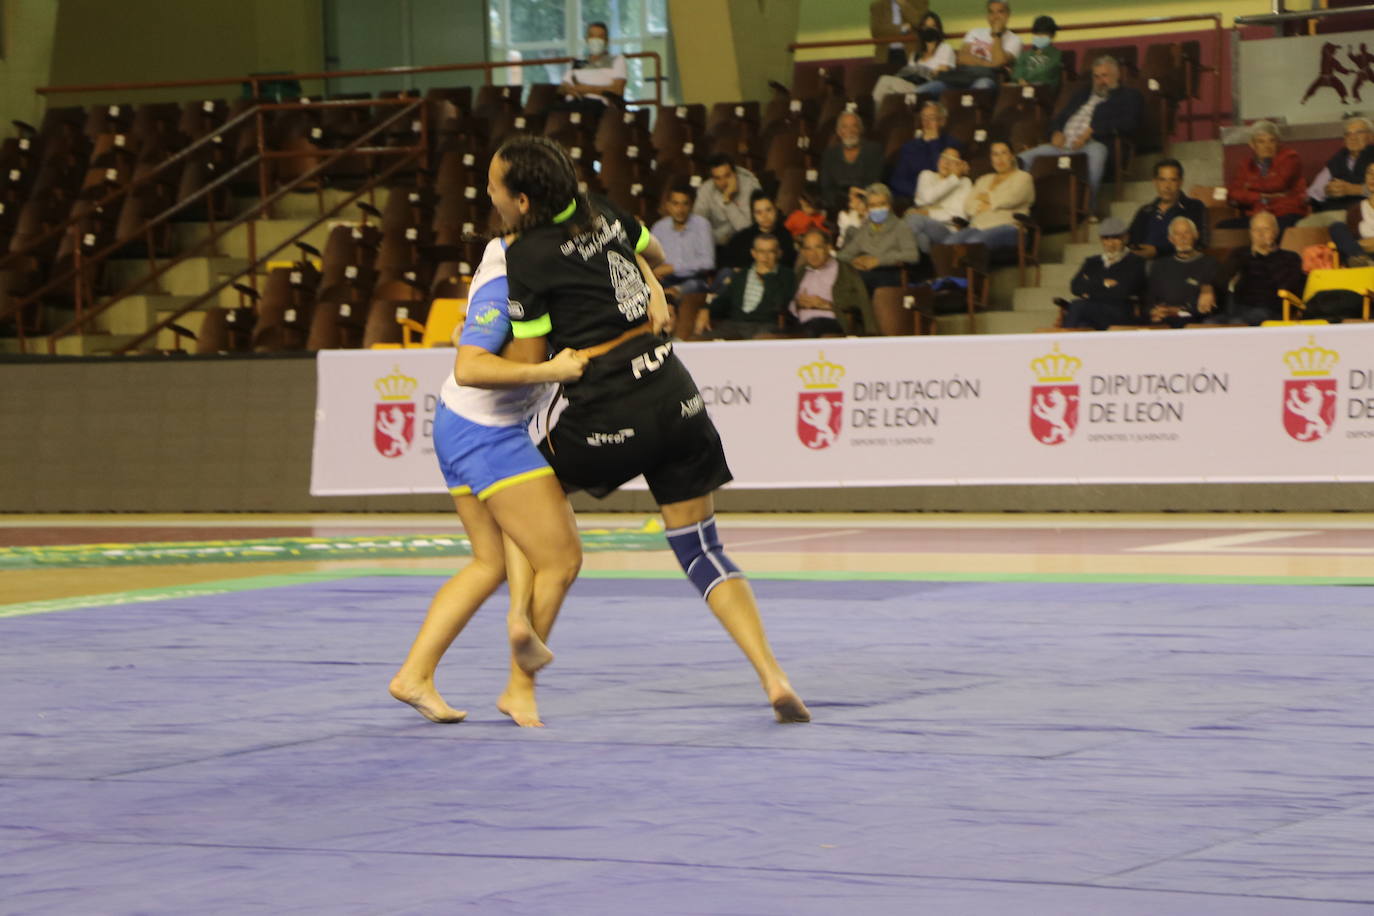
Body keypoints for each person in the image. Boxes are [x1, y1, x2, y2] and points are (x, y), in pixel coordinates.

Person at [495, 135, 811, 723]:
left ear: (518, 200)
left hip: (605, 405)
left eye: (493, 187)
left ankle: (520, 660)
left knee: (512, 483)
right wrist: (649, 286)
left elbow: (528, 358)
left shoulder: (527, 255)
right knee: (702, 549)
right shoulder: (603, 211)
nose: (489, 194)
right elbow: (658, 255)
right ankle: (773, 677)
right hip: (673, 394)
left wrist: (487, 353)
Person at [389, 237, 590, 729]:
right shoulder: (504, 282)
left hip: (466, 425)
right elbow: (470, 364)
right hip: (485, 431)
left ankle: (414, 674)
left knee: (490, 560)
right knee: (561, 559)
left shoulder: (527, 271)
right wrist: (552, 369)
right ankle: (518, 685)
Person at [1018, 55, 1143, 211]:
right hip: (1062, 144)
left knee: (1097, 154)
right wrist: (1055, 132)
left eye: (1104, 76)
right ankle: (1021, 205)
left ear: (1116, 75)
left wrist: (1093, 131)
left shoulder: (1129, 96)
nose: (1100, 81)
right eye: (1096, 76)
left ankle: (1089, 207)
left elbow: (1129, 124)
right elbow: (1061, 117)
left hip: (1095, 144)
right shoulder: (1082, 94)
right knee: (1022, 159)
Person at [942, 140, 1034, 255]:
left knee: (973, 244)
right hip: (977, 227)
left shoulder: (1023, 177)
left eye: (1003, 153)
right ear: (991, 158)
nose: (999, 159)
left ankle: (974, 272)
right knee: (947, 245)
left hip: (1010, 228)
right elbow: (968, 205)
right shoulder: (983, 179)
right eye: (995, 154)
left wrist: (986, 198)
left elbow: (1012, 198)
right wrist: (985, 206)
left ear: (1011, 156)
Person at [698, 233, 795, 340]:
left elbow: (781, 303)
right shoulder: (742, 275)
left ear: (778, 253)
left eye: (770, 251)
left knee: (760, 342)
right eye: (761, 251)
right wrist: (707, 309)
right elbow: (723, 299)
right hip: (736, 324)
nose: (765, 257)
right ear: (753, 253)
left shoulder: (787, 275)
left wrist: (769, 276)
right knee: (701, 341)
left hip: (766, 325)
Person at [1216, 211, 1306, 325]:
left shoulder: (1290, 257)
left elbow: (1287, 286)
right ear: (1250, 233)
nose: (1260, 234)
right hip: (1240, 309)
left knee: (1238, 323)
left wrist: (1268, 254)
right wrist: (1207, 289)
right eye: (1256, 230)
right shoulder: (1240, 254)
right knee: (1209, 323)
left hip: (1272, 309)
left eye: (1265, 229)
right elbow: (1221, 278)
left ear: (1275, 232)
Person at [1060, 217, 1147, 329]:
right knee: (1082, 325)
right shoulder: (1092, 262)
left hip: (1120, 313)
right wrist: (1104, 284)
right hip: (1093, 312)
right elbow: (1075, 286)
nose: (1110, 244)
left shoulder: (1136, 261)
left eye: (1115, 238)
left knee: (1077, 305)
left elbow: (1123, 292)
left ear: (1125, 238)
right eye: (1106, 239)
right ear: (1101, 240)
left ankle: (1062, 341)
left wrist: (1090, 288)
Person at [1222, 120, 1308, 231]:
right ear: (1252, 145)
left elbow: (1278, 184)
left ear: (1278, 143)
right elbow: (1233, 194)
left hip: (1286, 212)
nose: (1267, 146)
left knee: (1272, 229)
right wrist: (1260, 197)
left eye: (1272, 141)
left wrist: (1248, 185)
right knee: (1224, 227)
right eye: (1261, 142)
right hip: (1258, 215)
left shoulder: (1290, 158)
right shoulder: (1245, 165)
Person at [790, 228, 876, 336]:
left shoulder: (844, 271)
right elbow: (789, 303)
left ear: (828, 247)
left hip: (832, 322)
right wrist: (797, 304)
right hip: (802, 323)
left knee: (812, 328)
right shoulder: (801, 272)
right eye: (808, 249)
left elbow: (858, 302)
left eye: (818, 247)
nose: (813, 254)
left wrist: (826, 305)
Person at [837, 181, 921, 290]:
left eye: (882, 204)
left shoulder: (900, 226)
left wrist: (878, 261)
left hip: (888, 274)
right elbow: (843, 255)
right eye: (873, 205)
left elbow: (912, 256)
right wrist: (855, 261)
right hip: (864, 273)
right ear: (867, 208)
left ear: (889, 205)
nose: (878, 209)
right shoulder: (865, 228)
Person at [1127, 158, 1209, 260]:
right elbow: (1130, 241)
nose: (1167, 186)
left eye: (1173, 180)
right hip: (1143, 265)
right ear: (1155, 182)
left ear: (1180, 182)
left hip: (1178, 264)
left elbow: (1199, 243)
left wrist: (1157, 251)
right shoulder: (1145, 211)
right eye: (1162, 180)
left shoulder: (1193, 207)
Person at [1147, 217, 1221, 327]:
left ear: (1196, 235)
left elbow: (1211, 306)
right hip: (1163, 321)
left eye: (1187, 233)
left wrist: (1178, 310)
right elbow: (1149, 298)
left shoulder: (1210, 263)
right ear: (1171, 239)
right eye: (1177, 234)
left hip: (1194, 321)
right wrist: (1153, 311)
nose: (1182, 238)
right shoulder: (1159, 265)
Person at [871, 12, 957, 105]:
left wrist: (926, 66)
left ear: (938, 29)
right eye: (926, 27)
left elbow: (943, 71)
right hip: (911, 85)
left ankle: (876, 117)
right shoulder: (916, 54)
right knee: (888, 92)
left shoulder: (945, 48)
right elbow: (908, 74)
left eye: (933, 26)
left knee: (885, 81)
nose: (929, 30)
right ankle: (883, 116)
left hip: (930, 86)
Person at [1303, 117, 1374, 226]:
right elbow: (1315, 191)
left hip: (1363, 210)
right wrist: (1327, 191)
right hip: (1332, 209)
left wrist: (1354, 189)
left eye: (1359, 132)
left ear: (1371, 136)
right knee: (1302, 226)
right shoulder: (1338, 158)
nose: (1353, 138)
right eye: (1348, 134)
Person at [553, 21, 626, 124]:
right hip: (572, 102)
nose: (595, 40)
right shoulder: (579, 62)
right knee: (546, 112)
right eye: (592, 36)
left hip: (597, 104)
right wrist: (569, 90)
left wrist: (587, 89)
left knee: (581, 111)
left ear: (606, 40)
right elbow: (562, 87)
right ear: (586, 39)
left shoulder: (616, 60)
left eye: (600, 37)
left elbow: (618, 89)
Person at [903, 146, 973, 253]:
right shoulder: (926, 175)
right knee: (922, 237)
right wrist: (953, 180)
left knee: (914, 218)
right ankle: (928, 266)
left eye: (953, 161)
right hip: (923, 227)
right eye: (944, 158)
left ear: (960, 166)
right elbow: (927, 199)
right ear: (938, 160)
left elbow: (958, 216)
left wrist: (927, 212)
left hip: (948, 230)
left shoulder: (964, 182)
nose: (946, 163)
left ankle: (892, 257)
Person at [650, 183, 715, 298]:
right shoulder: (659, 227)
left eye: (685, 204)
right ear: (668, 205)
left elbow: (708, 262)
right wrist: (654, 271)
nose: (680, 209)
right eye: (675, 204)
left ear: (691, 206)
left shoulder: (702, 225)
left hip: (694, 280)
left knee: (693, 285)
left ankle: (672, 293)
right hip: (665, 280)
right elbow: (650, 260)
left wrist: (674, 267)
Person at [819, 112, 885, 212]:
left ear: (860, 129)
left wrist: (859, 200)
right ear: (839, 132)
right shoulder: (829, 155)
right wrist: (846, 200)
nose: (850, 131)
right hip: (837, 205)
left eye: (854, 126)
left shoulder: (874, 151)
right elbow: (826, 187)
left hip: (866, 204)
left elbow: (874, 183)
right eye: (845, 127)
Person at [694, 153, 763, 248]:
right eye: (717, 178)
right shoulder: (706, 189)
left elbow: (747, 230)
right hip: (717, 245)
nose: (723, 182)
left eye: (727, 176)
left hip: (747, 245)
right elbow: (698, 225)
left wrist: (727, 201)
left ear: (735, 173)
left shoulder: (750, 186)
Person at [949, 0, 1021, 90]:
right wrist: (989, 64)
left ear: (1008, 15)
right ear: (987, 16)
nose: (995, 17)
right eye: (991, 12)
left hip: (988, 79)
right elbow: (962, 58)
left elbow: (998, 62)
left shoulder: (1014, 39)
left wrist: (997, 35)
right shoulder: (974, 32)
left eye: (1000, 12)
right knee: (933, 87)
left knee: (981, 86)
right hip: (964, 75)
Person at [721, 189, 797, 271]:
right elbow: (729, 264)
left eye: (768, 210)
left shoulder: (785, 236)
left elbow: (788, 267)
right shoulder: (742, 237)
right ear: (753, 215)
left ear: (775, 208)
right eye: (759, 212)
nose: (764, 216)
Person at [1327, 160, 1374, 264]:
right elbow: (1348, 244)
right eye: (1369, 173)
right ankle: (1363, 262)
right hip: (1363, 259)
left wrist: (1358, 244)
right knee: (1337, 227)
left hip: (1360, 253)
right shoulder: (1355, 210)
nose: (1372, 177)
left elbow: (1351, 243)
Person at [869, 0, 929, 65]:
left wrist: (902, 4)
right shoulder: (878, 6)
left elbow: (920, 23)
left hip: (911, 55)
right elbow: (876, 32)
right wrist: (902, 28)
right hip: (886, 55)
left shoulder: (920, 2)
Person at [1010, 15, 1062, 88]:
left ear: (1052, 35)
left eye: (1045, 33)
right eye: (1037, 33)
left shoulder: (1056, 54)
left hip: (1045, 90)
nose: (1040, 36)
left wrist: (1027, 80)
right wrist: (1020, 79)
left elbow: (1046, 73)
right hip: (1023, 90)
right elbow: (1017, 72)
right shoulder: (1025, 55)